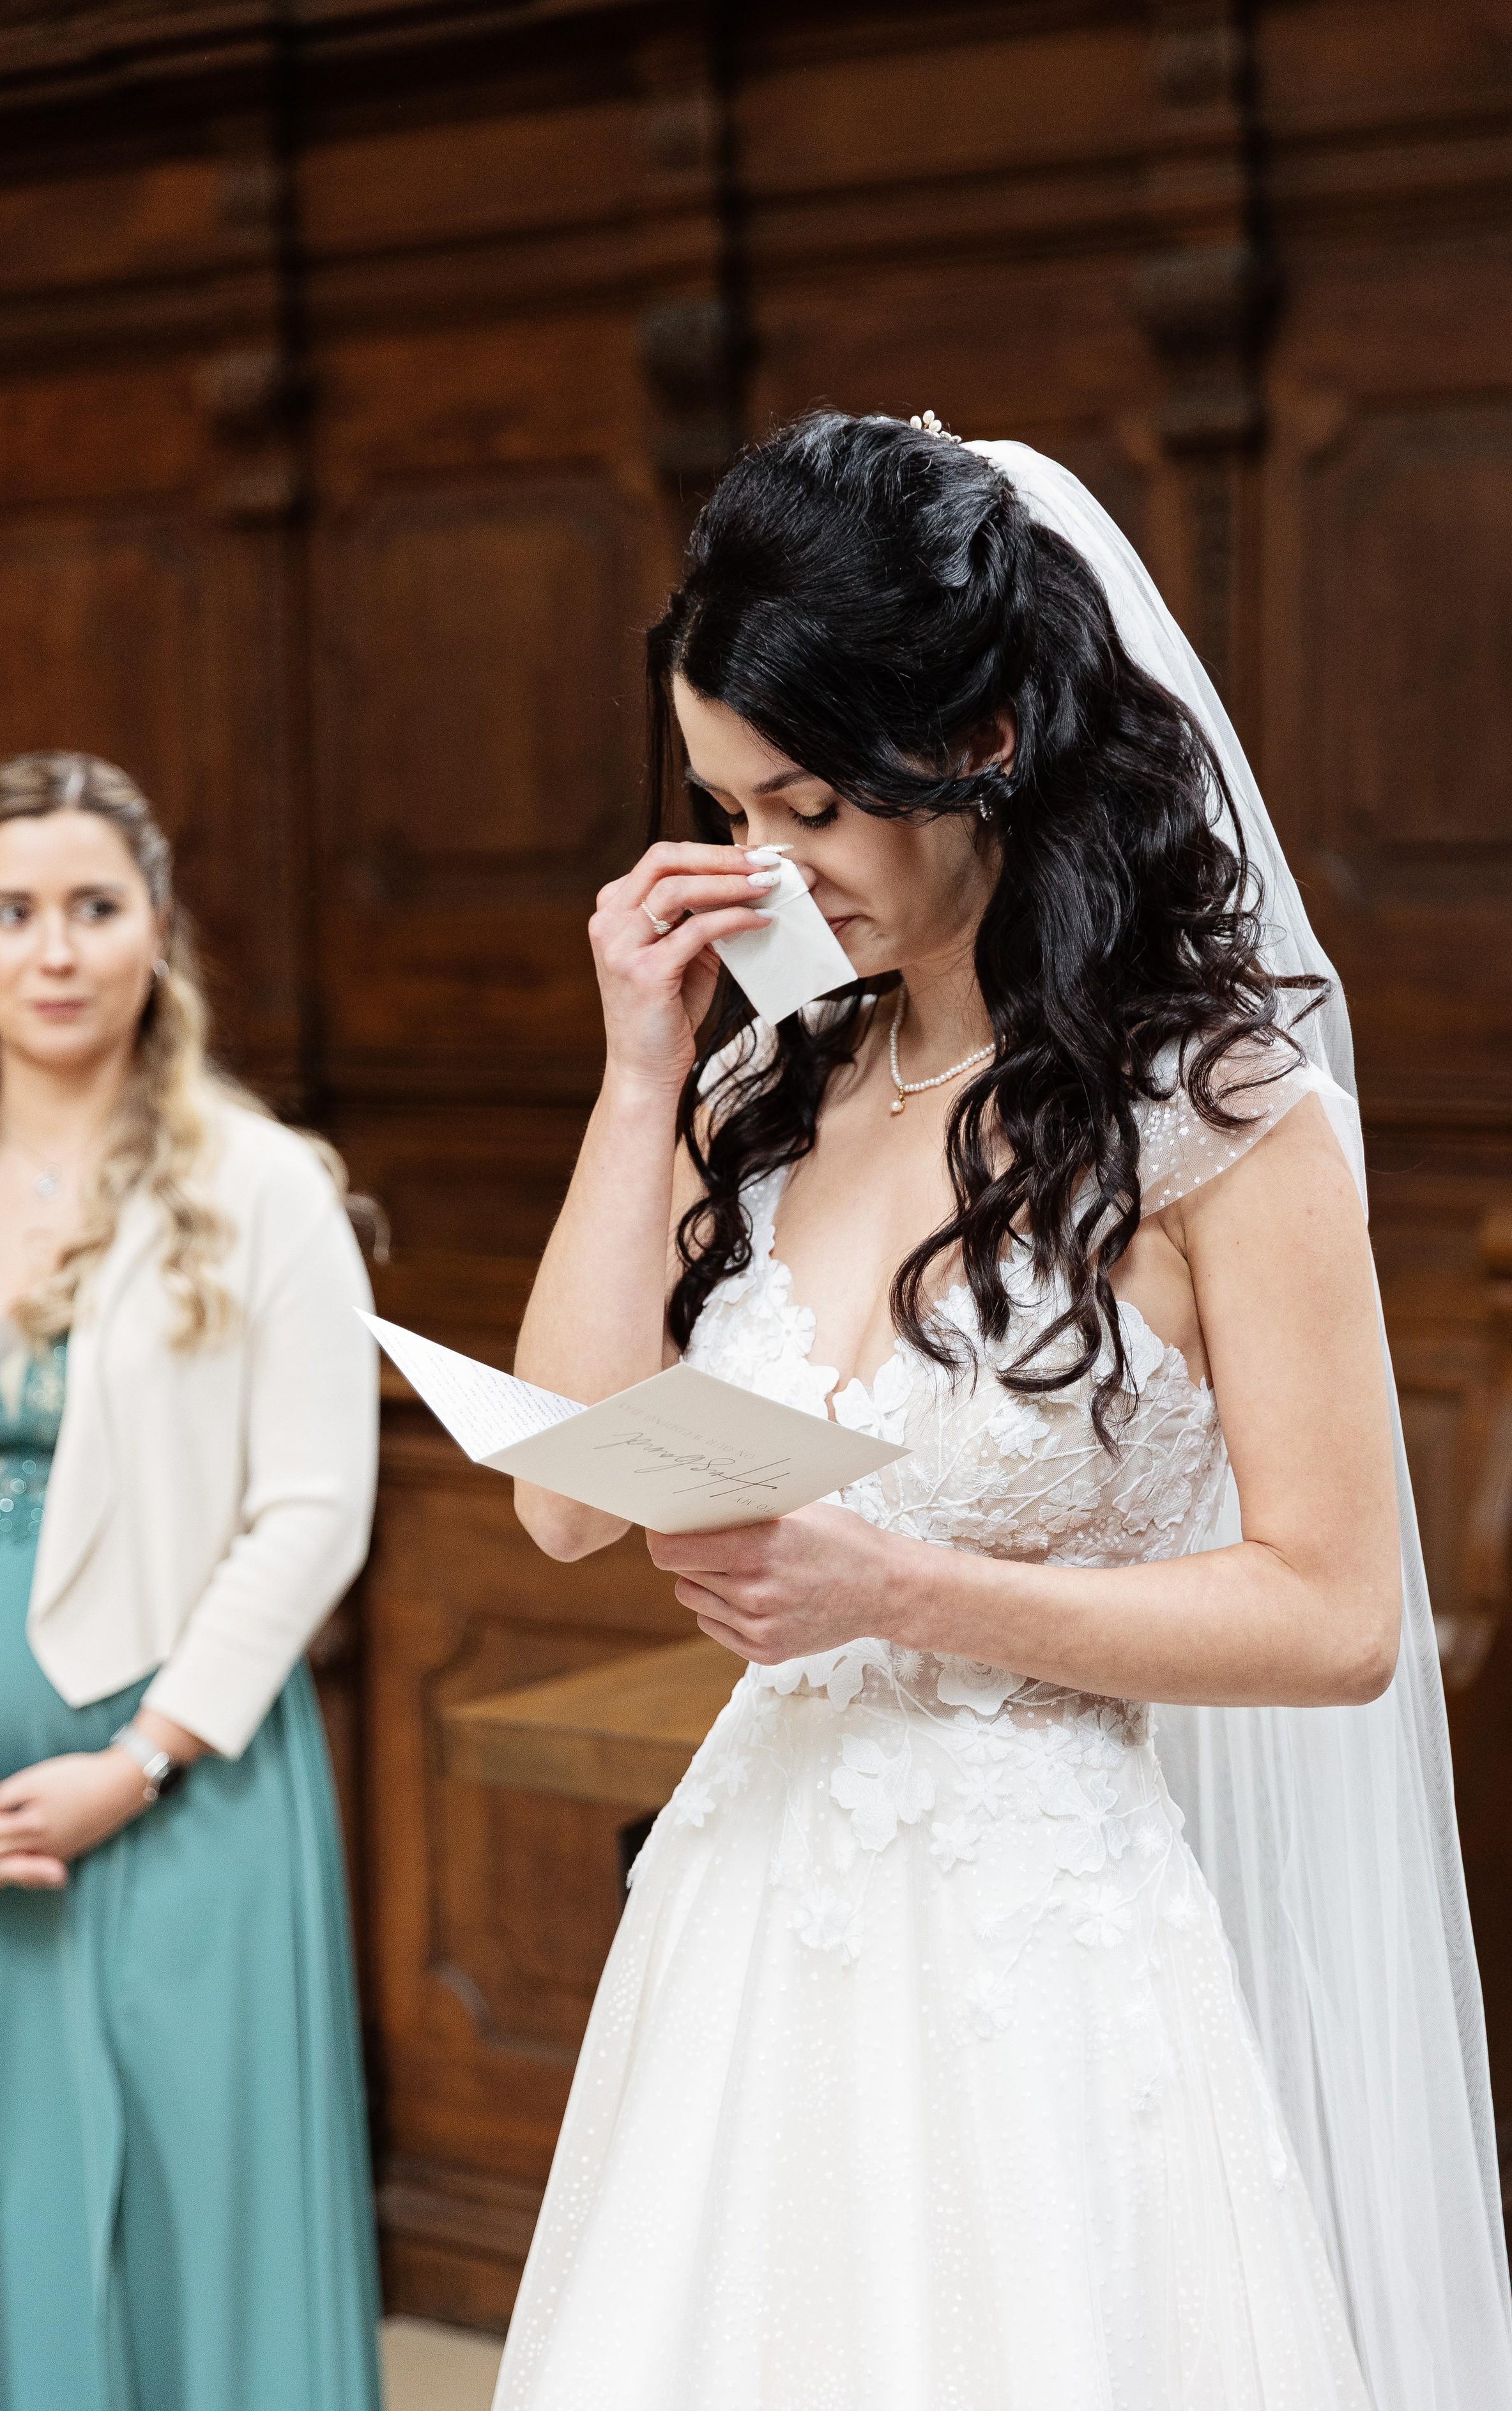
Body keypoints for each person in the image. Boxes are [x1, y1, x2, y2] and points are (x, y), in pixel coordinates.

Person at [493, 417, 1512, 2410]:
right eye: (726, 806)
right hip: (745, 1920)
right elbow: (563, 1499)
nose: (762, 869)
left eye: (810, 806)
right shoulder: (764, 1082)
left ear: (977, 743)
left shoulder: (1221, 1111)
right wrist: (637, 1076)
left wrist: (902, 1592)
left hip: (1033, 1964)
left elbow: (1337, 1618)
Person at [0, 753, 382, 2411]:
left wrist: (141, 1758)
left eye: (94, 908)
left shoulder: (263, 1186)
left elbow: (315, 1509)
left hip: (186, 1790)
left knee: (196, 2230)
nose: (56, 951)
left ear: (155, 927)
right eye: (13, 912)